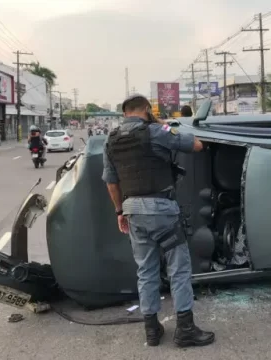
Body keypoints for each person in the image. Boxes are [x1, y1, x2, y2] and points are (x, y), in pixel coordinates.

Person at [102, 95, 215, 348]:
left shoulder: (112, 139)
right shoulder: (156, 130)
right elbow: (196, 145)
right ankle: (185, 329)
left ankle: (152, 330)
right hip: (161, 209)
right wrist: (164, 124)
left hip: (132, 210)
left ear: (124, 113)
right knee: (179, 268)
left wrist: (120, 212)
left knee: (146, 270)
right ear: (146, 109)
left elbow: (111, 182)